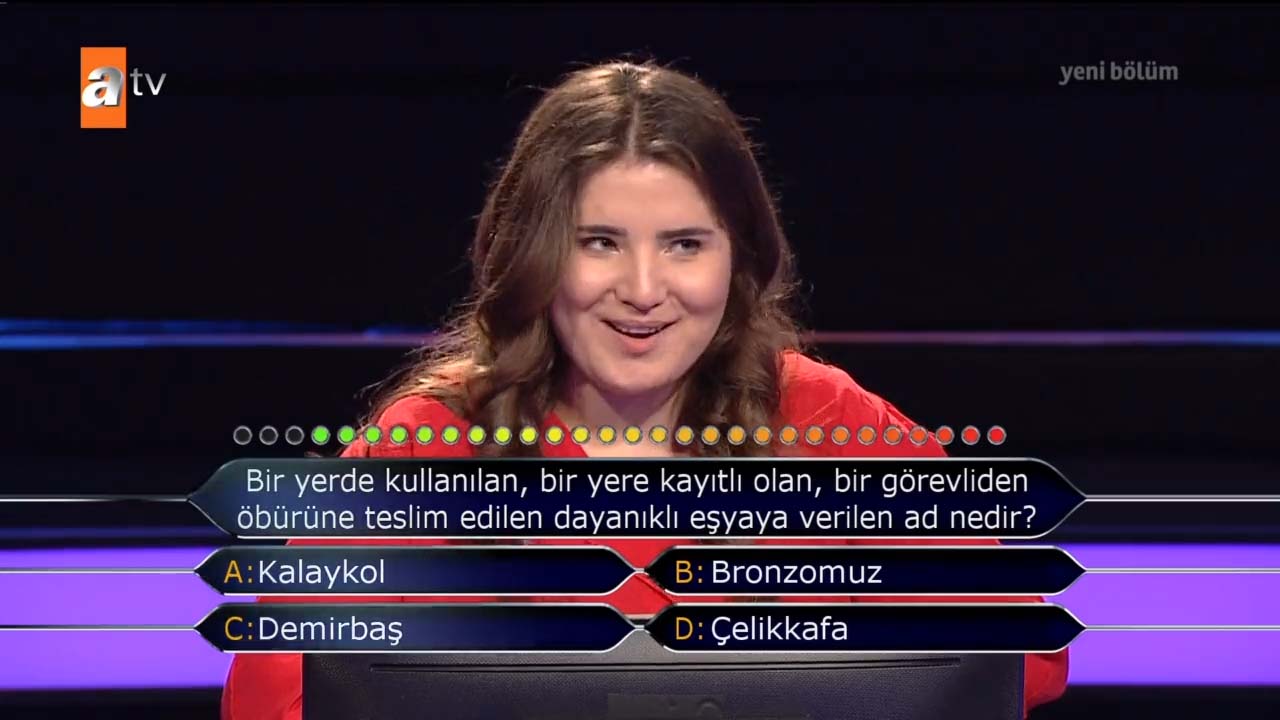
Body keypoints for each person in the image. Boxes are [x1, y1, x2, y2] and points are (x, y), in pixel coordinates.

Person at [221, 60, 1068, 719]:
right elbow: (278, 697)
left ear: (739, 258)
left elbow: (1019, 651)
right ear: (535, 255)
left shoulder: (825, 418)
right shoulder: (430, 444)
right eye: (598, 242)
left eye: (685, 244)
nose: (642, 289)